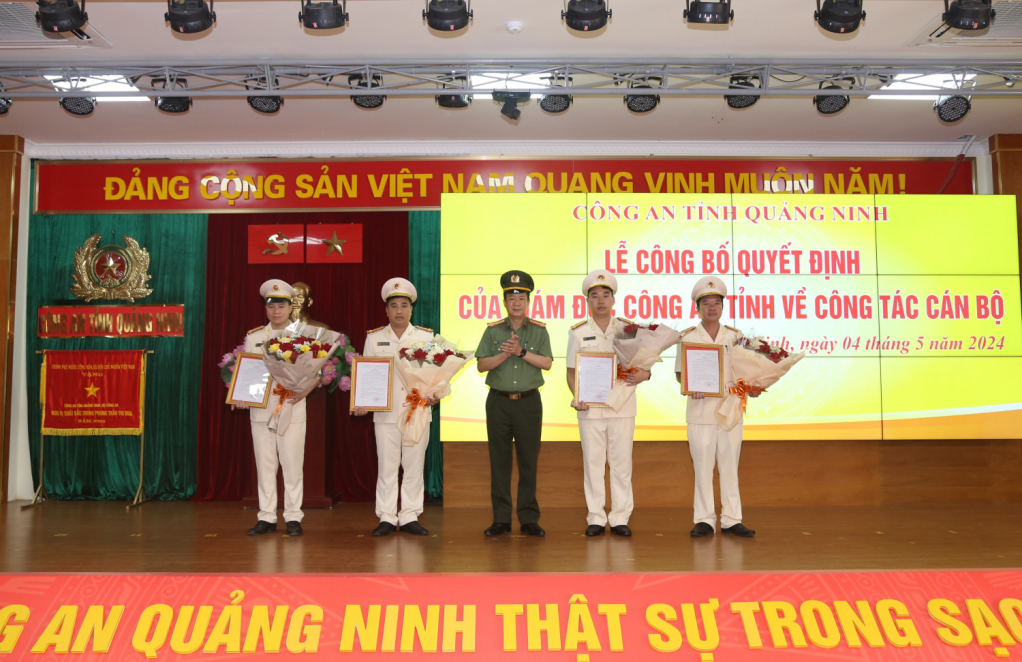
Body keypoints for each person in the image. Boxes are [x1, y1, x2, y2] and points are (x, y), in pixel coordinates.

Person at [567, 269, 650, 537]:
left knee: (621, 463)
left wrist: (644, 375)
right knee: (592, 463)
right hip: (590, 409)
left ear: (614, 300)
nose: (600, 300)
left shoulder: (628, 330)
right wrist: (577, 396)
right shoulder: (579, 332)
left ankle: (620, 517)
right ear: (587, 301)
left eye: (605, 295)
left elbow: (643, 367)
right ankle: (595, 517)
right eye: (594, 296)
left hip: (622, 406)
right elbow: (571, 371)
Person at [352, 278, 437, 537]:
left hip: (417, 412)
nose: (399, 311)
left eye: (404, 305)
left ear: (412, 309)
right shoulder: (374, 338)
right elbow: (367, 374)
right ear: (386, 310)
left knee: (413, 466)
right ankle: (387, 517)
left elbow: (435, 373)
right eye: (393, 306)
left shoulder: (426, 336)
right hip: (386, 414)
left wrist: (435, 394)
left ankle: (410, 515)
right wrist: (362, 402)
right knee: (387, 467)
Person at [675, 276, 756, 538]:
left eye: (716, 303)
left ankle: (732, 519)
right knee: (703, 468)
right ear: (697, 308)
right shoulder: (687, 337)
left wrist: (751, 386)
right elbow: (680, 373)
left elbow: (747, 371)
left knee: (730, 466)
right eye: (706, 303)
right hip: (700, 412)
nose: (712, 307)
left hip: (730, 411)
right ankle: (704, 519)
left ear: (723, 307)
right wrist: (689, 384)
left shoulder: (735, 336)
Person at [236, 279, 317, 537]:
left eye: (281, 306)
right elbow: (246, 371)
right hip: (261, 410)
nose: (276, 311)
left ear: (290, 307)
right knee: (265, 465)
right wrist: (241, 394)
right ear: (266, 309)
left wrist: (305, 390)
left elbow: (315, 373)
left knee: (292, 466)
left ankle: (293, 517)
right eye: (271, 306)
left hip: (292, 407)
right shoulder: (254, 337)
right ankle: (267, 517)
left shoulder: (304, 336)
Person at [475, 270, 553, 538]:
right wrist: (504, 353)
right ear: (504, 301)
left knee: (528, 462)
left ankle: (529, 519)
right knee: (500, 462)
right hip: (498, 402)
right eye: (511, 297)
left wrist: (520, 352)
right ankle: (501, 520)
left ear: (528, 301)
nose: (516, 301)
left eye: (521, 296)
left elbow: (547, 363)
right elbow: (481, 365)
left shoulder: (540, 331)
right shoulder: (493, 330)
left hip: (529, 404)